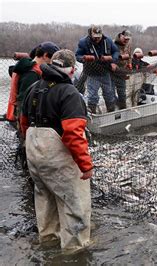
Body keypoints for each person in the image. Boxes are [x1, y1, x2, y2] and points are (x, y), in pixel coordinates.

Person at [20, 49, 93, 250]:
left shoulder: (33, 88)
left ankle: (48, 243)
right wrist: (86, 166)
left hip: (34, 154)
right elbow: (73, 133)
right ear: (71, 71)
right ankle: (74, 252)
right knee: (74, 204)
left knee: (44, 200)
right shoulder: (69, 93)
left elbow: (23, 124)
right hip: (57, 157)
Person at [5, 42, 60, 124]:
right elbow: (24, 100)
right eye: (52, 59)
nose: (52, 63)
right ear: (45, 55)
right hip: (25, 117)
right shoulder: (31, 73)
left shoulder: (28, 66)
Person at [75, 25, 119, 113]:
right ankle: (92, 113)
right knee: (92, 96)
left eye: (99, 37)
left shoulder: (108, 40)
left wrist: (113, 61)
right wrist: (84, 58)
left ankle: (111, 112)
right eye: (95, 37)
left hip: (105, 72)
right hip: (92, 73)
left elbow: (116, 52)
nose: (97, 39)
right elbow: (77, 56)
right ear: (91, 34)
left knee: (109, 94)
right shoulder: (83, 42)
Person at [112, 29, 133, 109]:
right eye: (125, 39)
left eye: (128, 39)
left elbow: (130, 56)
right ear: (121, 36)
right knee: (110, 95)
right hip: (112, 73)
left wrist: (129, 63)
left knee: (122, 94)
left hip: (122, 73)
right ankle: (114, 109)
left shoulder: (128, 45)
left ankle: (123, 109)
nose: (126, 41)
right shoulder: (113, 44)